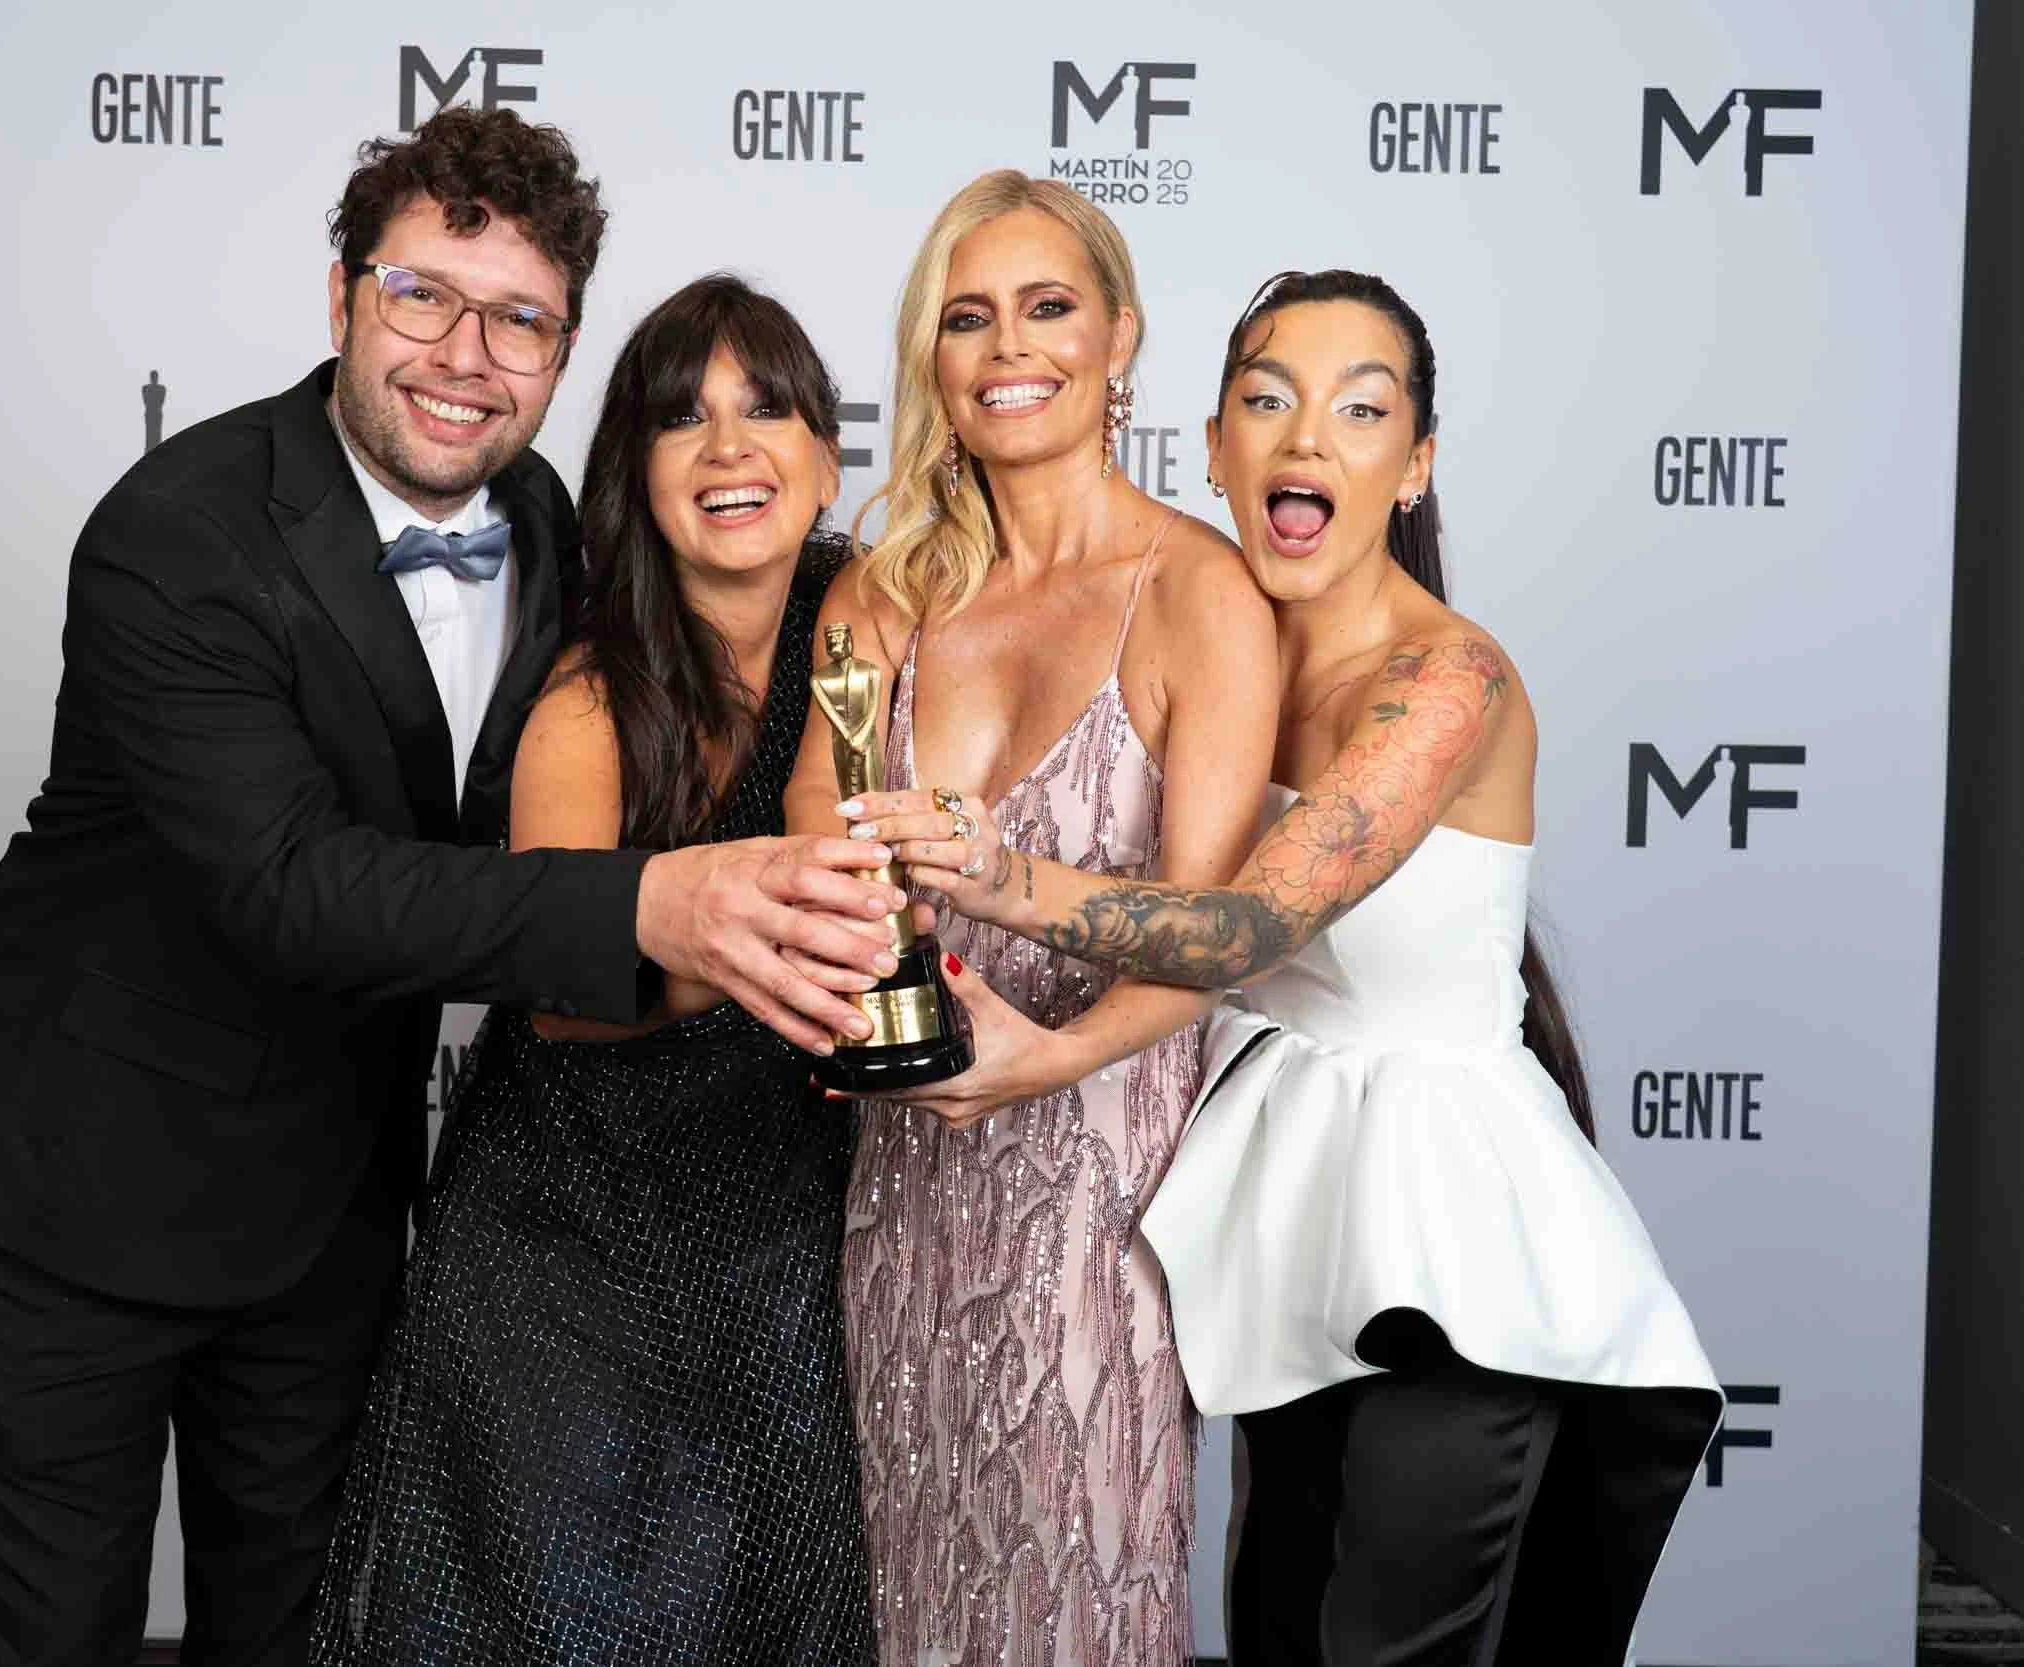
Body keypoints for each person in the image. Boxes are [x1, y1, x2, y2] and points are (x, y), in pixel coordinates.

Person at [0, 112, 903, 1667]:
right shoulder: (182, 535)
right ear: (343, 297)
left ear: (561, 352)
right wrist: (643, 910)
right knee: (54, 1633)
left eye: (521, 319)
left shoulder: (557, 531)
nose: (466, 353)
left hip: (333, 1202)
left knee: (297, 1627)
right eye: (424, 295)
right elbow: (293, 889)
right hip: (78, 1179)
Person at [851, 269, 1724, 1665]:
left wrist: (992, 867)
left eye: (1360, 409)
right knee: (1273, 1632)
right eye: (1268, 400)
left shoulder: (1450, 682)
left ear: (1414, 464)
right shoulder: (1219, 641)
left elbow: (1248, 929)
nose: (1307, 438)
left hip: (1457, 1260)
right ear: (1212, 447)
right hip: (1293, 1226)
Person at [307, 273, 879, 1667]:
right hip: (569, 1237)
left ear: (825, 452)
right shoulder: (589, 688)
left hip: (783, 1237)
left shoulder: (869, 618)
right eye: (682, 418)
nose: (730, 447)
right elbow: (564, 994)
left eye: (768, 409)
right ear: (637, 471)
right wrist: (759, 948)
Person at [783, 171, 1279, 1665]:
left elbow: (1209, 936)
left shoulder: (1198, 593)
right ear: (932, 361)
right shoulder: (881, 596)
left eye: (1049, 306)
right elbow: (816, 831)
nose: (1010, 346)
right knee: (919, 1592)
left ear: (1121, 335)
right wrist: (854, 929)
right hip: (907, 1187)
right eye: (968, 316)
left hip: (1100, 1193)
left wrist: (1038, 1060)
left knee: (1080, 1595)